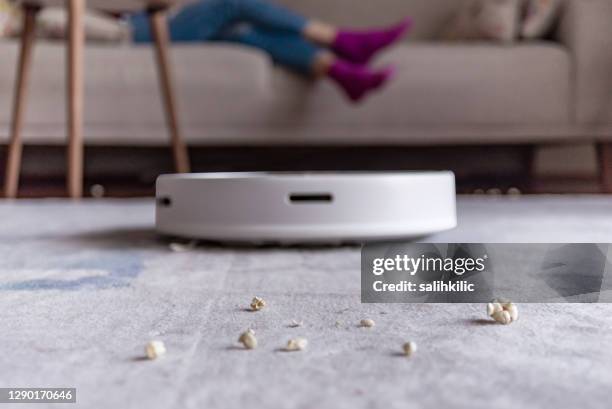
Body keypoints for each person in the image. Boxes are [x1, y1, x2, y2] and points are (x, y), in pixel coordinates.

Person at [128, 0, 411, 103]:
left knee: (244, 31)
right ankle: (341, 41)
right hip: (127, 32)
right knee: (232, 3)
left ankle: (339, 71)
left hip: (138, 22)